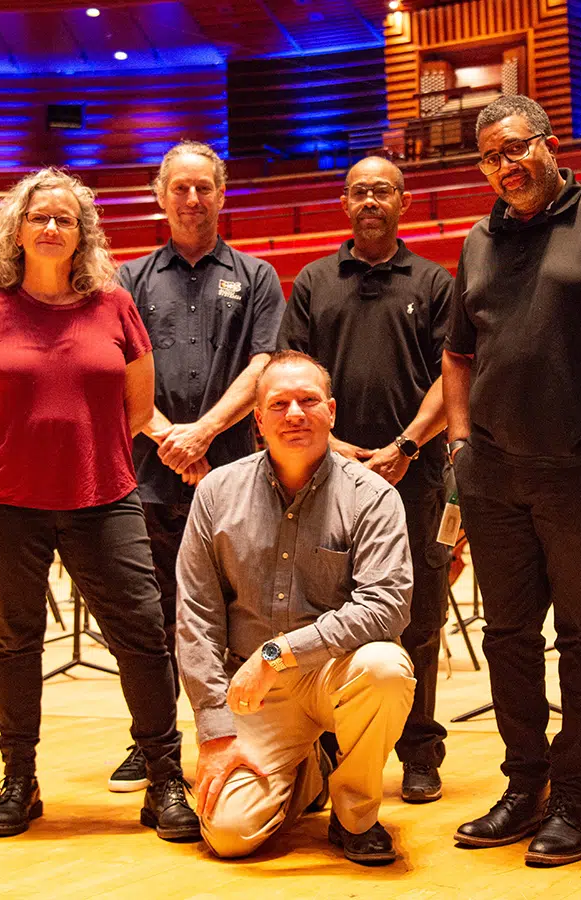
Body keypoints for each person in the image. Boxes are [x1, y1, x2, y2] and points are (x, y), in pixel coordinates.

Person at [0, 167, 198, 842]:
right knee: (15, 640)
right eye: (39, 217)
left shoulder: (114, 305)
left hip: (102, 495)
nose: (51, 227)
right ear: (15, 230)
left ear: (83, 234)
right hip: (2, 501)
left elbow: (139, 407)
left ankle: (165, 778)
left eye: (65, 219)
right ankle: (19, 781)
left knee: (142, 636)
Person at [442, 95, 581, 866]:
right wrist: (462, 442)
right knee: (507, 637)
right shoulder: (477, 241)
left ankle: (575, 799)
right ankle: (523, 784)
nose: (505, 169)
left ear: (549, 144)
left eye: (515, 151)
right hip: (493, 475)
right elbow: (459, 354)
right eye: (490, 159)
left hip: (578, 470)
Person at [175, 350, 416, 865]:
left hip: (334, 671)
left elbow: (387, 605)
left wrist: (279, 652)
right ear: (257, 419)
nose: (294, 414)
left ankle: (356, 817)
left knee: (387, 669)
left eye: (308, 401)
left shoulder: (372, 496)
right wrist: (215, 731)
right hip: (253, 691)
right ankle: (308, 771)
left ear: (331, 411)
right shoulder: (217, 492)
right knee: (230, 836)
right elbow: (196, 614)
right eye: (278, 404)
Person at [107, 141, 284, 794]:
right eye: (179, 187)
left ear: (221, 192)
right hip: (148, 478)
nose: (191, 198)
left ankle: (244, 734)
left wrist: (205, 433)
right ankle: (151, 744)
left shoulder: (257, 275)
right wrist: (166, 438)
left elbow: (264, 363)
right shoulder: (127, 279)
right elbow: (111, 366)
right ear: (160, 196)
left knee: (240, 619)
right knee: (150, 623)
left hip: (233, 475)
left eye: (203, 187)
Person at [278, 155, 454, 803]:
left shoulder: (434, 282)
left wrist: (407, 444)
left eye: (382, 190)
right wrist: (336, 448)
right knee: (330, 612)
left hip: (416, 475)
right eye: (359, 192)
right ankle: (330, 749)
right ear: (343, 204)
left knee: (421, 616)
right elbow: (292, 373)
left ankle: (419, 750)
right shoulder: (314, 281)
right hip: (330, 480)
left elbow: (453, 375)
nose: (371, 201)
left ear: (403, 201)